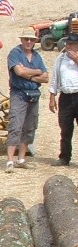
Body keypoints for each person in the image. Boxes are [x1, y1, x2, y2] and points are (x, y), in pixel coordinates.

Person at [5, 29, 49, 172]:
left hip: (34, 94)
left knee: (30, 127)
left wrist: (29, 74)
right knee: (15, 125)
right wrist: (36, 72)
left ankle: (21, 159)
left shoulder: (37, 56)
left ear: (35, 40)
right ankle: (10, 161)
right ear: (21, 40)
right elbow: (19, 72)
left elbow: (46, 77)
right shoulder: (14, 53)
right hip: (19, 94)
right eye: (26, 39)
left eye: (31, 39)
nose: (28, 42)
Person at [48, 33, 78, 166]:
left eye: (72, 44)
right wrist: (52, 97)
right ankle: (64, 157)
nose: (69, 46)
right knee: (65, 128)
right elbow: (54, 78)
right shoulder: (60, 59)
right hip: (65, 97)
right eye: (67, 43)